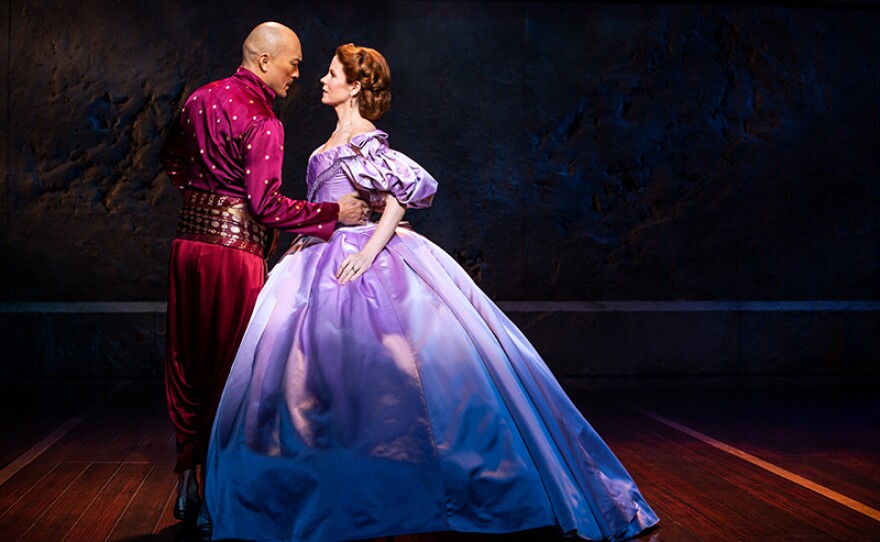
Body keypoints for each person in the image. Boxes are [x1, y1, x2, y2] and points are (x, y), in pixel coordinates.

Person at [204, 43, 660, 541]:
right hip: (317, 251)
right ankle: (332, 484)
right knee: (307, 375)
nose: (322, 79)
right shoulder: (332, 140)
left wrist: (369, 249)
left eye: (332, 74)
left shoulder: (361, 143)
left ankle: (400, 485)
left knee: (389, 368)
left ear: (355, 86)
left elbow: (405, 192)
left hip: (356, 249)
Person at [159, 23, 368, 523]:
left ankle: (188, 482)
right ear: (263, 62)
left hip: (187, 249)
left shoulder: (198, 100)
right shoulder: (264, 120)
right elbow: (267, 205)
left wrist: (207, 196)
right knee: (232, 373)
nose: (299, 74)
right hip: (234, 260)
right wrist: (332, 213)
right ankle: (217, 500)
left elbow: (172, 161)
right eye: (293, 63)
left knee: (187, 365)